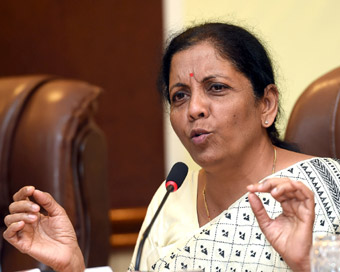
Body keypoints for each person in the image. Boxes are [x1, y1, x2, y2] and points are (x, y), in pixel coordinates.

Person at [3, 22, 340, 272]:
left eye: (216, 87)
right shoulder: (170, 199)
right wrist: (72, 267)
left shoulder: (325, 186)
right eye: (179, 96)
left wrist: (309, 264)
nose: (194, 109)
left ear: (266, 104)